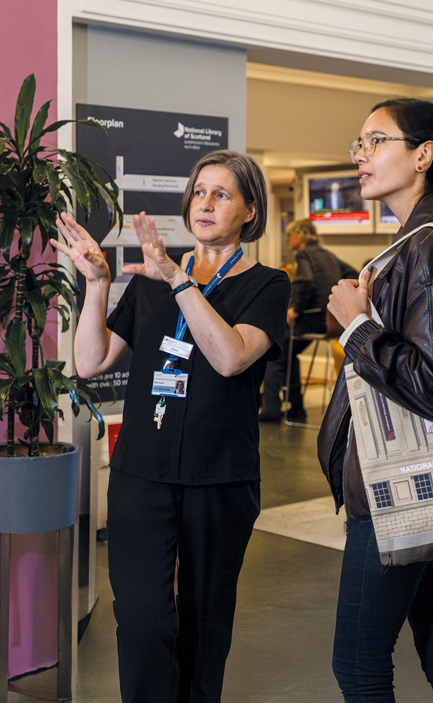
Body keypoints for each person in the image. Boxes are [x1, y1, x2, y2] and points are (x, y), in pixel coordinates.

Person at [51, 150, 290, 703]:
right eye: (198, 192)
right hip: (141, 475)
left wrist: (181, 282)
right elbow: (91, 361)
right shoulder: (152, 281)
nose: (204, 203)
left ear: (250, 211)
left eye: (221, 194)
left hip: (219, 480)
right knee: (141, 622)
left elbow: (230, 357)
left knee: (203, 627)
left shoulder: (266, 285)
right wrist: (96, 285)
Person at [317, 98, 433, 702]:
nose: (361, 155)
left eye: (377, 141)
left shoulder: (427, 249)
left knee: (359, 665)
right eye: (358, 143)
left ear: (423, 155)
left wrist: (356, 326)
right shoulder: (413, 243)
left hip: (400, 490)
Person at [259, 218, 357, 422]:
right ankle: (296, 408)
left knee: (274, 351)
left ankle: (271, 409)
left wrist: (294, 308)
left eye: (290, 235)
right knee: (288, 353)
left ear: (300, 236)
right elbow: (353, 274)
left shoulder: (304, 254)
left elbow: (305, 281)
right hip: (329, 323)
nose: (288, 240)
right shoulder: (327, 254)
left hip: (310, 320)